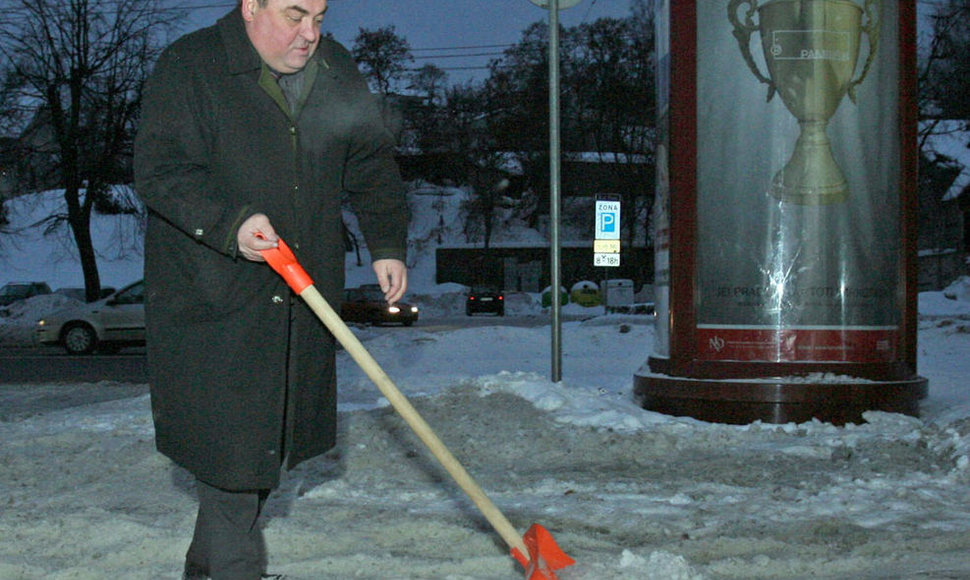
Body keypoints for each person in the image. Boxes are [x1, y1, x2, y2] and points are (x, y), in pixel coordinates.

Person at [133, 0, 409, 578]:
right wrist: (231, 222)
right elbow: (161, 169)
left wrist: (385, 243)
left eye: (320, 17)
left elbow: (373, 162)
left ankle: (204, 569)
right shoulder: (191, 67)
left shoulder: (335, 68)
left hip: (302, 301)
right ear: (250, 6)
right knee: (233, 460)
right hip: (213, 302)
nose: (310, 34)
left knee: (259, 458)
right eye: (294, 15)